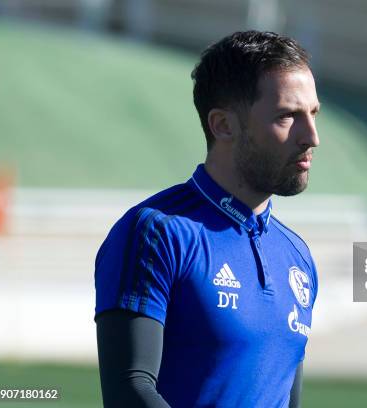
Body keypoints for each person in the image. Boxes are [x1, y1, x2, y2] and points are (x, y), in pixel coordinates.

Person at [94, 31, 320, 407]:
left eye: (313, 114)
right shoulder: (157, 232)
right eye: (287, 116)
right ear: (223, 125)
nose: (311, 136)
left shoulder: (297, 256)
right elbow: (129, 391)